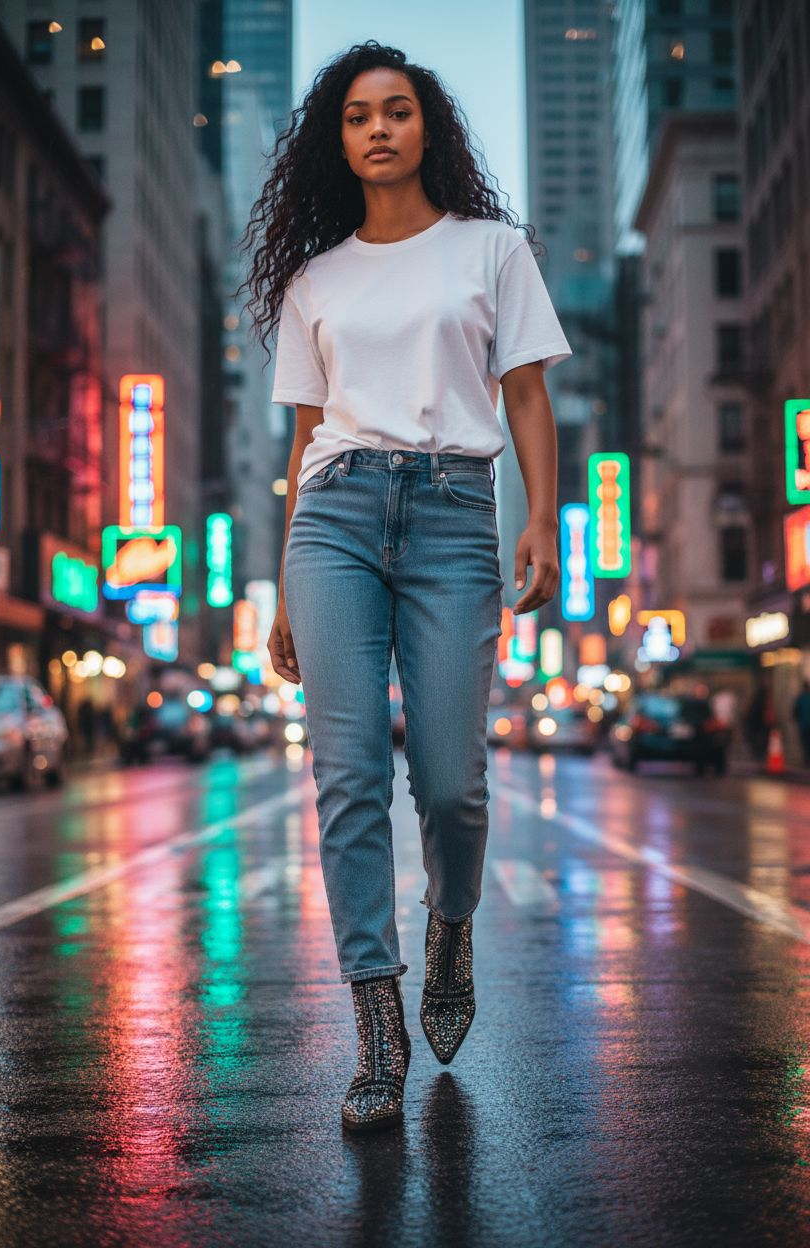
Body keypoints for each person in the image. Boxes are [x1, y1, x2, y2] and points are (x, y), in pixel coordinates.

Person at [242, 40, 571, 1133]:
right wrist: (283, 590)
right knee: (346, 778)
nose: (377, 128)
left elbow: (526, 396)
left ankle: (451, 928)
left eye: (395, 110)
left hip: (450, 514)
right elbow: (302, 438)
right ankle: (377, 1030)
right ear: (335, 142)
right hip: (332, 520)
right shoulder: (314, 278)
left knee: (450, 783)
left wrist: (542, 523)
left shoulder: (490, 249)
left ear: (428, 127)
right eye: (355, 115)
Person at [792, 680, 810, 766]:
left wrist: (796, 719)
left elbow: (795, 711)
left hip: (803, 725)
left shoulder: (800, 698)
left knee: (805, 743)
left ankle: (806, 760)